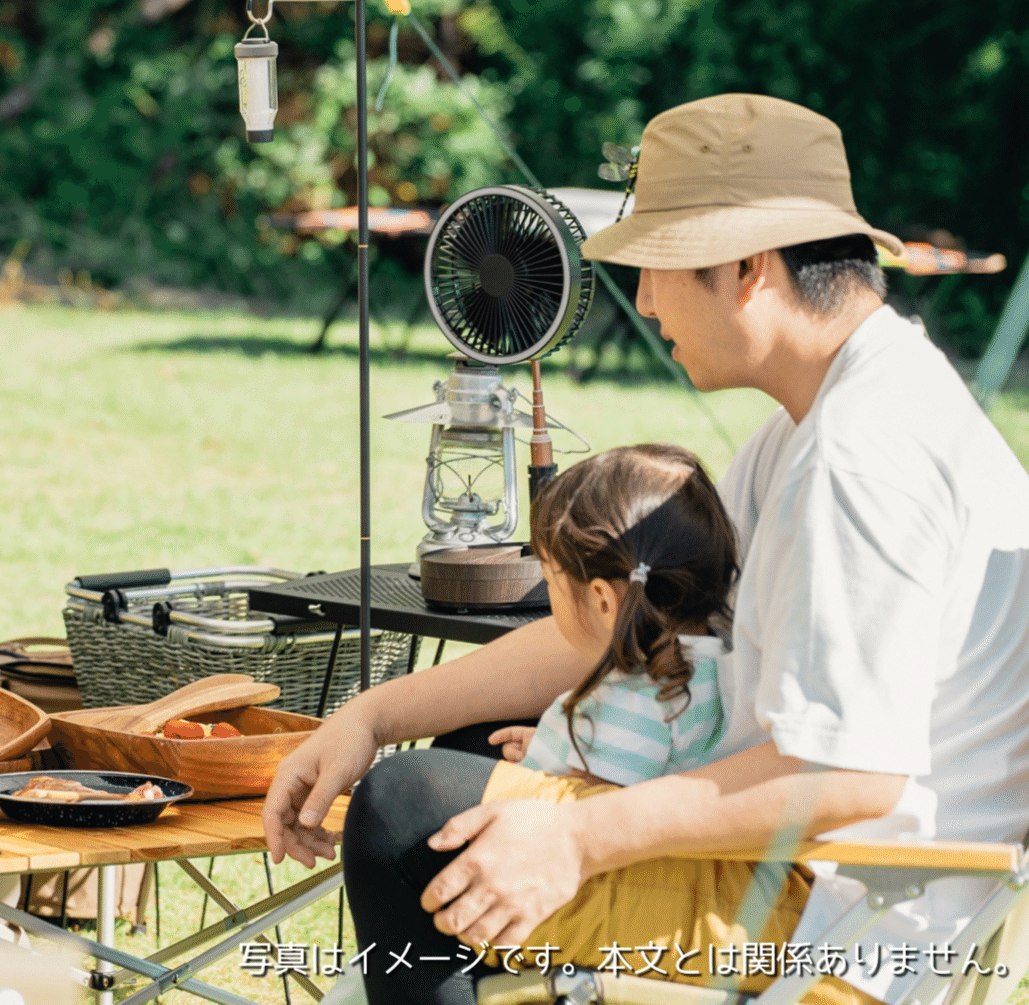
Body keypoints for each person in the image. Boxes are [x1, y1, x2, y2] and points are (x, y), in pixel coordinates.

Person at [264, 93, 1029, 1005]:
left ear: (748, 265)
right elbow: (630, 624)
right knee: (461, 751)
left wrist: (577, 838)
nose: (645, 299)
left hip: (844, 928)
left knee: (410, 815)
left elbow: (848, 776)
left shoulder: (862, 455)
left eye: (659, 264)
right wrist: (372, 715)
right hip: (800, 877)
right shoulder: (823, 419)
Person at [485, 443, 737, 789]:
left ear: (603, 601)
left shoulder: (621, 701)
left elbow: (594, 806)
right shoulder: (711, 668)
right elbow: (647, 753)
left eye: (549, 581)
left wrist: (571, 749)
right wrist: (563, 745)